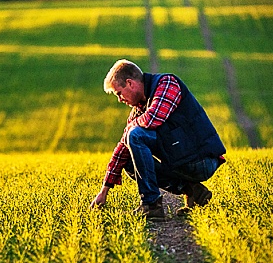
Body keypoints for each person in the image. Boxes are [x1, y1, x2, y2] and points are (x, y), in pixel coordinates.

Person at [89, 59, 226, 220]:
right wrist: (104, 190)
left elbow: (153, 118)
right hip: (180, 160)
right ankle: (193, 191)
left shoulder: (167, 83)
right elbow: (122, 149)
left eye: (119, 93)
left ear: (130, 83)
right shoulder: (139, 109)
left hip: (201, 161)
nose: (120, 99)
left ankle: (151, 204)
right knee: (128, 157)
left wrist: (131, 129)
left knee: (135, 135)